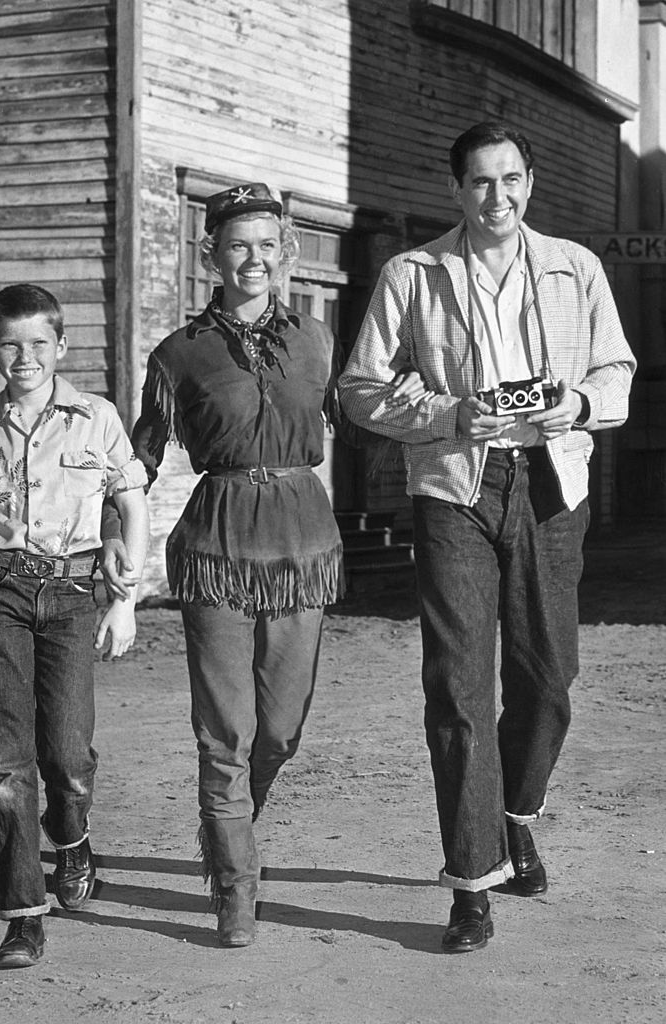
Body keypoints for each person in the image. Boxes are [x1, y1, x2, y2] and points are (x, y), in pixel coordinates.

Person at [100, 182, 425, 947]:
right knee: (225, 730)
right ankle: (237, 887)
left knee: (278, 731)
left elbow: (362, 429)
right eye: (237, 245)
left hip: (302, 544)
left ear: (286, 254)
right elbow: (138, 457)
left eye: (267, 245)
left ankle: (225, 826)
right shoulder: (178, 353)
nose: (254, 258)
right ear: (211, 254)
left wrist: (407, 405)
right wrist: (113, 528)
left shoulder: (315, 338)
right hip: (215, 546)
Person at [338, 122, 635, 953]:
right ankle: (471, 882)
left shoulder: (576, 267)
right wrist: (446, 413)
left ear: (529, 183)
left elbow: (616, 373)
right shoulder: (413, 272)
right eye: (478, 183)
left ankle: (513, 813)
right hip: (454, 487)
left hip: (548, 483)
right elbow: (361, 388)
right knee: (459, 688)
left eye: (509, 181)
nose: (495, 197)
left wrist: (575, 405)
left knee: (547, 676)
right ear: (455, 191)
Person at [0, 284, 150, 969]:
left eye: (37, 343)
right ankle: (22, 915)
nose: (23, 356)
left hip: (69, 594)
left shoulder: (96, 417)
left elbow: (131, 500)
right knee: (2, 764)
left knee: (66, 755)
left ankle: (72, 835)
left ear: (62, 346)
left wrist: (125, 601)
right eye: (9, 343)